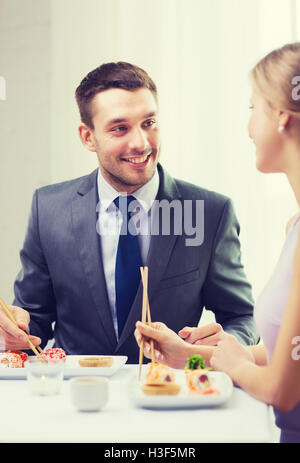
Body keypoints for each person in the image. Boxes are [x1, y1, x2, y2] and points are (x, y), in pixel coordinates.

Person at [0, 62, 258, 364]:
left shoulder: (210, 212)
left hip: (170, 398)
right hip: (76, 398)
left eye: (149, 123)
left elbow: (241, 317)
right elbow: (34, 322)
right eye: (120, 128)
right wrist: (15, 331)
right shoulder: (48, 209)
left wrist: (225, 343)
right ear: (87, 137)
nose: (141, 143)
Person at [135, 43, 300, 442]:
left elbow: (282, 390)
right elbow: (288, 358)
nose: (247, 127)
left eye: (252, 109)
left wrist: (235, 367)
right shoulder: (294, 225)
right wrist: (190, 354)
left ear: (280, 116)